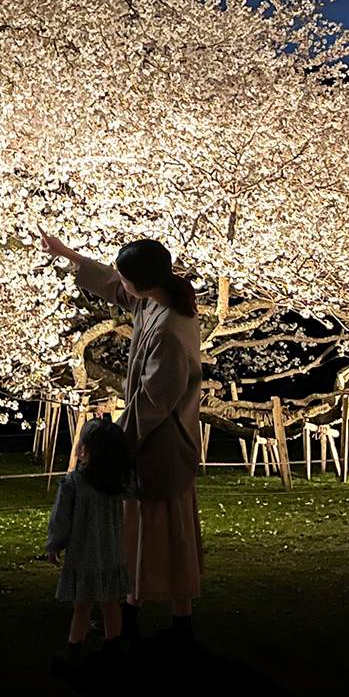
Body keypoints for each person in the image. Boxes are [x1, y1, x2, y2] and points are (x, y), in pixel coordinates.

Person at [38, 231, 204, 649]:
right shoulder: (156, 301)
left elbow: (153, 401)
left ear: (142, 282)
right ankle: (151, 617)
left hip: (162, 444)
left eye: (127, 277)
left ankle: (156, 620)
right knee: (150, 533)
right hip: (156, 440)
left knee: (158, 533)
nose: (122, 284)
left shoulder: (170, 328)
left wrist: (110, 440)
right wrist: (67, 254)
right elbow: (115, 285)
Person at [44, 417, 135, 671]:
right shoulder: (117, 485)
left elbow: (61, 519)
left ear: (84, 449)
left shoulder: (74, 483)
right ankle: (112, 648)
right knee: (111, 605)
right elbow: (135, 488)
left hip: (83, 555)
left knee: (82, 607)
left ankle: (74, 649)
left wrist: (54, 545)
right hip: (111, 554)